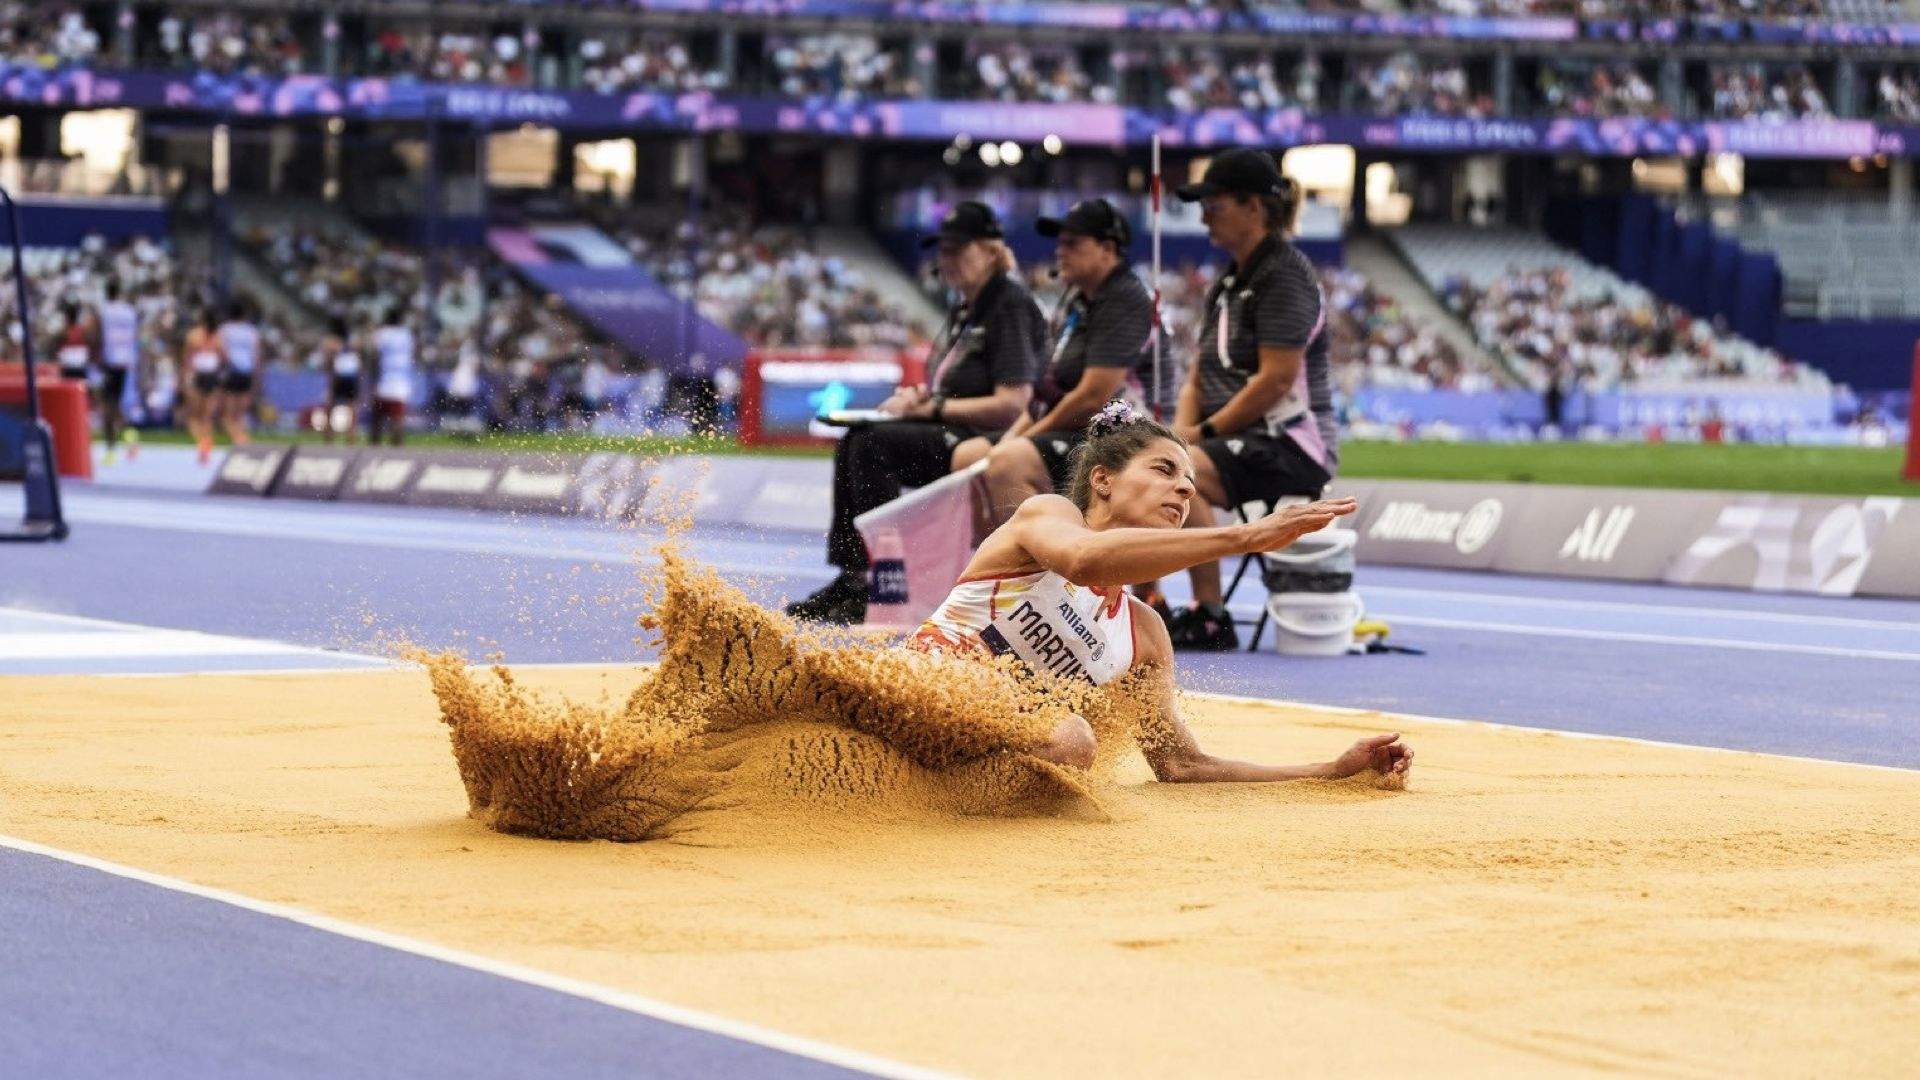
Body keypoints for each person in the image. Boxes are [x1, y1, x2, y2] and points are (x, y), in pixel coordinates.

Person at [908, 401, 1409, 782]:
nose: (1187, 490)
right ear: (1102, 480)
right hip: (924, 685)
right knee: (1070, 736)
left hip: (1000, 737)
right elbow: (1085, 562)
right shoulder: (1047, 514)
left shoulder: (1143, 632)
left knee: (1068, 740)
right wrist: (1247, 535)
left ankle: (929, 798)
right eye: (1165, 471)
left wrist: (1330, 769)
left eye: (1190, 481)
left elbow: (1179, 763)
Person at [787, 200, 1045, 625]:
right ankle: (853, 575)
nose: (947, 261)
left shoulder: (1009, 304)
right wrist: (919, 399)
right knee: (857, 437)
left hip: (991, 437)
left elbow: (1011, 404)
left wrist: (934, 407)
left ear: (991, 250)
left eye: (958, 251)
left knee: (874, 446)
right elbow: (956, 384)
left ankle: (882, 577)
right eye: (942, 251)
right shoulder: (968, 307)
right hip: (954, 426)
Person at [1156, 148, 1340, 651]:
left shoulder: (1285, 276)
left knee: (1180, 469)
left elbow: (1276, 380)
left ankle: (1211, 614)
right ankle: (1150, 604)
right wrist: (1177, 434)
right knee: (1153, 460)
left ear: (1253, 208)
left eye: (1214, 206)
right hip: (1231, 440)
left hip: (1290, 444)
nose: (1203, 217)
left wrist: (1201, 437)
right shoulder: (1230, 280)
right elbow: (1198, 373)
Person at [950, 198, 1159, 524]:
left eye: (1072, 243)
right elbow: (1045, 393)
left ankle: (1045, 568)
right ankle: (996, 565)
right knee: (969, 458)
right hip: (1078, 429)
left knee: (1009, 461)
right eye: (1060, 243)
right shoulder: (1076, 301)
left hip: (1125, 435)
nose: (1060, 251)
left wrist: (1027, 438)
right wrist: (1014, 436)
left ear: (1107, 248)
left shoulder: (1126, 298)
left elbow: (1093, 396)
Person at [97, 282, 140, 461]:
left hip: (110, 363)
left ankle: (111, 449)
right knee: (121, 405)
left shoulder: (104, 311)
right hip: (128, 363)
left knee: (108, 406)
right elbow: (136, 337)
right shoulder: (130, 312)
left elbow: (98, 335)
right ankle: (130, 438)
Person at [214, 299, 260, 446]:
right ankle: (241, 437)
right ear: (244, 314)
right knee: (239, 413)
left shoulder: (224, 329)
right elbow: (255, 354)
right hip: (246, 372)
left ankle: (239, 439)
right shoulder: (251, 331)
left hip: (232, 371)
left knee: (228, 413)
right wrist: (255, 375)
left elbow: (221, 351)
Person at [182, 309, 223, 464]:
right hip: (211, 375)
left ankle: (202, 445)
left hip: (199, 375)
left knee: (194, 416)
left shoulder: (194, 335)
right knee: (207, 416)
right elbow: (223, 358)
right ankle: (206, 445)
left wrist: (185, 379)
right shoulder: (219, 338)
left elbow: (187, 358)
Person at [370, 310, 415, 446]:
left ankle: (374, 448)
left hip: (385, 379)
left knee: (377, 418)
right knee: (398, 418)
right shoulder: (407, 335)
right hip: (402, 380)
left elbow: (374, 356)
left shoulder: (382, 334)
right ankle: (398, 448)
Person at [324, 318, 362, 444]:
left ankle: (329, 439)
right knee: (352, 409)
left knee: (331, 408)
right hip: (351, 375)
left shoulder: (332, 342)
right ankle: (350, 439)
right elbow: (358, 359)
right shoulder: (354, 342)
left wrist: (330, 380)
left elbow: (330, 362)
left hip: (339, 376)